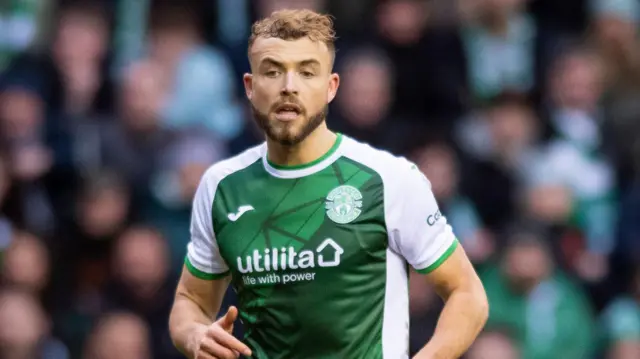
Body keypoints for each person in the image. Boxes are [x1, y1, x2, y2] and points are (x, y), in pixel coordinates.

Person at [168, 9, 488, 359]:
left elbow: (467, 294)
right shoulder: (220, 187)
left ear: (331, 87)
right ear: (250, 86)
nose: (288, 87)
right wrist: (194, 334)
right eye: (272, 71)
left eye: (306, 72)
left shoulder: (387, 178)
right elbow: (192, 300)